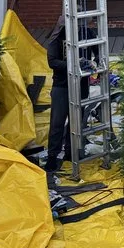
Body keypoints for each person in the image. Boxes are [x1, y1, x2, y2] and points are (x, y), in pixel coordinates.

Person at [45, 15, 95, 174]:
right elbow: (52, 62)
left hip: (81, 85)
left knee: (76, 122)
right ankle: (52, 157)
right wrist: (74, 65)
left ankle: (70, 152)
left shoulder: (87, 33)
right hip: (62, 86)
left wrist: (97, 63)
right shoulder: (58, 37)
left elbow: (97, 49)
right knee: (58, 122)